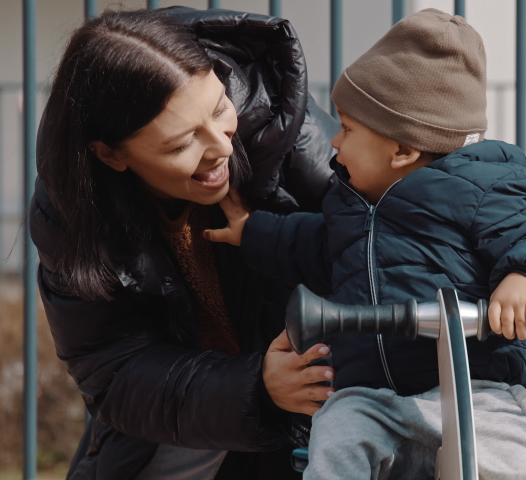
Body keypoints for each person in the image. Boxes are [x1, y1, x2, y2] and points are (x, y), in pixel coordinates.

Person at [207, 9, 526, 479]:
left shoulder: (483, 186)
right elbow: (312, 245)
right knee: (335, 438)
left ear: (402, 150)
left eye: (347, 128)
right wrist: (253, 231)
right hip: (370, 397)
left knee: (511, 463)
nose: (336, 144)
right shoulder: (346, 204)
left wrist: (523, 279)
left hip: (475, 389)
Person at [31, 7, 339, 479]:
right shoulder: (71, 211)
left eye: (219, 108)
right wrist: (256, 386)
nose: (220, 146)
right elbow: (114, 370)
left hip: (328, 394)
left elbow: (412, 215)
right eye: (180, 145)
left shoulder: (282, 128)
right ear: (110, 154)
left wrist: (500, 257)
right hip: (185, 416)